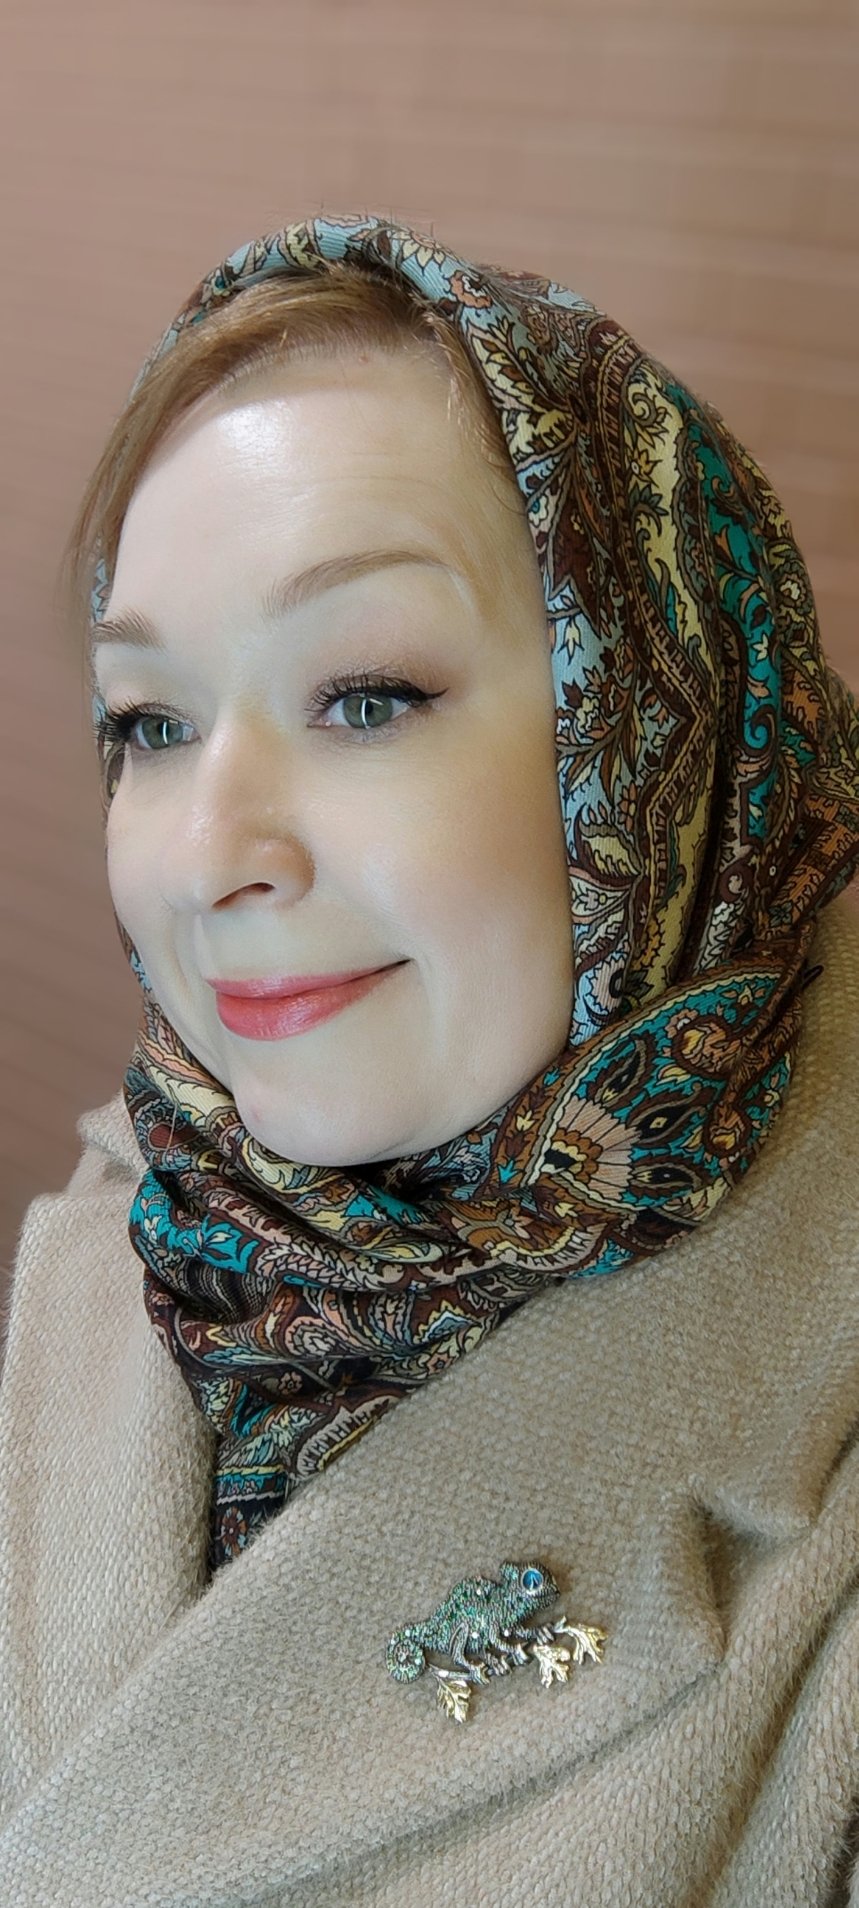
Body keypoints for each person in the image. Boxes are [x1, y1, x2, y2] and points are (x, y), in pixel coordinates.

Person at [0, 212, 857, 1906]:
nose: (208, 855)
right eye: (150, 722)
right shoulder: (153, 1223)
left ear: (658, 729)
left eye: (368, 695)